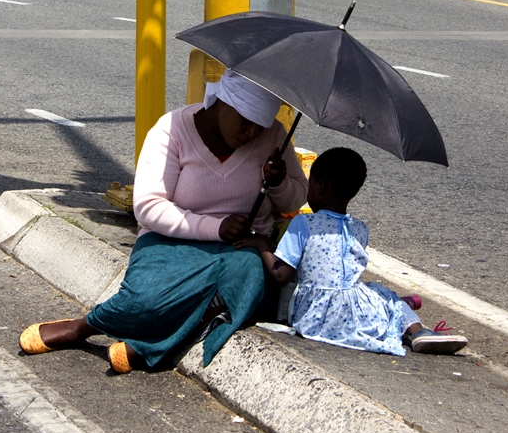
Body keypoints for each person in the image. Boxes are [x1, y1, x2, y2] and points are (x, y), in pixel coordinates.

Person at [19, 69, 308, 372]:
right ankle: (87, 326)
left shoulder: (274, 135)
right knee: (148, 298)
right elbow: (148, 206)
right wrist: (215, 227)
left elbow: (294, 199)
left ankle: (145, 347)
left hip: (241, 247)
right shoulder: (172, 129)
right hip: (171, 239)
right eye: (247, 122)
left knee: (241, 287)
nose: (252, 133)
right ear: (225, 101)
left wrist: (277, 182)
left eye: (260, 127)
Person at [236, 147, 468, 356]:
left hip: (313, 318)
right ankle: (417, 331)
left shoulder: (303, 224)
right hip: (352, 316)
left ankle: (409, 323)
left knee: (377, 291)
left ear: (319, 186)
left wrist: (263, 245)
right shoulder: (360, 229)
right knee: (382, 293)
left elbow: (281, 275)